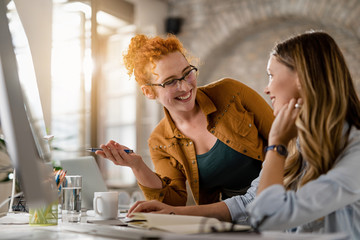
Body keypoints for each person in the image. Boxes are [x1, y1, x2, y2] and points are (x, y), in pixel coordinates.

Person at [127, 31, 360, 238]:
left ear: (301, 79)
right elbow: (249, 203)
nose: (266, 88)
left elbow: (266, 215)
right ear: (148, 92)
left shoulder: (351, 154)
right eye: (170, 82)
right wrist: (173, 212)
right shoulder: (301, 143)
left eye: (271, 75)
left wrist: (277, 146)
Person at [96, 34, 274, 206]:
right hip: (233, 212)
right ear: (149, 92)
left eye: (187, 73)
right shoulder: (160, 142)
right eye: (170, 82)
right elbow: (173, 203)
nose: (185, 86)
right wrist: (138, 166)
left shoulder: (230, 92)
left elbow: (282, 135)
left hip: (280, 192)